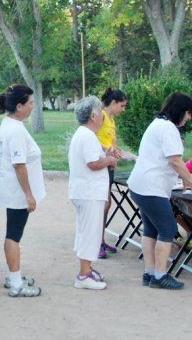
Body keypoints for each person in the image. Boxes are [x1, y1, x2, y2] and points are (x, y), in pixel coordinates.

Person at [128, 92, 192, 290]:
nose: (188, 119)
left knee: (151, 229)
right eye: (188, 114)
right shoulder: (168, 128)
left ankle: (150, 271)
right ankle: (161, 275)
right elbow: (174, 160)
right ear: (182, 111)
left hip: (141, 185)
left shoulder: (157, 123)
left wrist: (186, 179)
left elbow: (170, 161)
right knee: (168, 229)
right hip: (151, 187)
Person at [0, 84, 45, 298]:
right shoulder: (14, 130)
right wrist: (28, 194)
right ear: (19, 106)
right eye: (30, 103)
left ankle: (12, 275)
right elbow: (19, 164)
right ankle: (15, 282)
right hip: (17, 193)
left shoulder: (12, 124)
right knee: (14, 235)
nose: (33, 106)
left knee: (14, 233)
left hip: (13, 189)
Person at [69, 96, 116, 290]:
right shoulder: (87, 135)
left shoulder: (85, 134)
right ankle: (83, 275)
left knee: (86, 231)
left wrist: (106, 155)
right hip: (88, 192)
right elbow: (93, 163)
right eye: (100, 112)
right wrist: (109, 160)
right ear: (93, 115)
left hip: (86, 190)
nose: (103, 116)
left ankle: (87, 269)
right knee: (90, 232)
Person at [96, 87, 135, 259]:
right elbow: (92, 139)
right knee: (101, 205)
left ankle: (100, 239)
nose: (123, 109)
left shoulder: (111, 119)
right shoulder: (101, 116)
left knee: (107, 205)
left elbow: (111, 143)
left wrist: (118, 152)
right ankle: (95, 243)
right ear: (113, 103)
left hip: (109, 164)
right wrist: (107, 151)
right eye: (122, 105)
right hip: (100, 163)